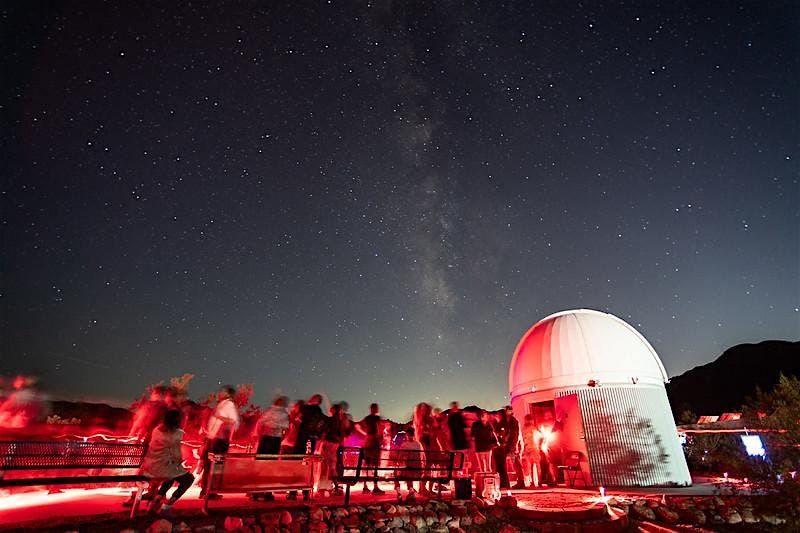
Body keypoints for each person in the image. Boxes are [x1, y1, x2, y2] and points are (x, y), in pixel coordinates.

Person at [141, 409, 194, 519]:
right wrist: (179, 463)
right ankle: (167, 507)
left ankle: (155, 502)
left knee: (171, 475)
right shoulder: (177, 433)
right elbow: (177, 455)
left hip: (150, 467)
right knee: (188, 479)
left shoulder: (156, 429)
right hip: (163, 468)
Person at [198, 385, 239, 499]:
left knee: (214, 466)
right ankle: (207, 491)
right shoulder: (222, 404)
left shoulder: (229, 405)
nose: (219, 393)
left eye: (222, 391)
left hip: (220, 440)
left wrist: (219, 417)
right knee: (210, 465)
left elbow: (233, 421)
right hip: (214, 439)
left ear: (227, 394)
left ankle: (209, 491)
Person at [317, 402, 351, 496]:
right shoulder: (342, 420)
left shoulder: (330, 420)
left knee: (325, 465)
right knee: (333, 466)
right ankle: (335, 487)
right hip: (337, 444)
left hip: (328, 443)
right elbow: (346, 432)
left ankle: (324, 487)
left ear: (333, 410)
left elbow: (322, 429)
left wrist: (321, 438)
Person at [356, 403, 384, 495]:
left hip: (368, 442)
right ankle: (375, 487)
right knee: (374, 465)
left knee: (367, 464)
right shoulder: (377, 419)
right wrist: (380, 438)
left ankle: (365, 486)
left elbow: (358, 426)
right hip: (374, 442)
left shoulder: (367, 419)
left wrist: (365, 434)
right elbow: (379, 429)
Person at [392, 426, 424, 503]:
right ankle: (411, 491)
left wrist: (398, 464)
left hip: (409, 471)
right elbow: (423, 458)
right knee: (409, 471)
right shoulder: (419, 444)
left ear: (407, 434)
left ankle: (399, 492)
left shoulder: (404, 445)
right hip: (419, 472)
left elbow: (400, 459)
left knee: (396, 473)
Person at [504, 405, 527, 489]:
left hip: (514, 445)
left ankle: (521, 482)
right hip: (513, 445)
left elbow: (515, 434)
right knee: (516, 464)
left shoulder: (513, 421)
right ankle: (520, 481)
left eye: (507, 410)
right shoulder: (510, 421)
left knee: (517, 464)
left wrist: (515, 446)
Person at [521, 414, 541, 487]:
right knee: (535, 466)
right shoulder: (534, 428)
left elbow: (523, 439)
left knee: (532, 466)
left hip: (530, 448)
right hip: (532, 448)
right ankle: (538, 482)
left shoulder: (525, 429)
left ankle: (535, 481)